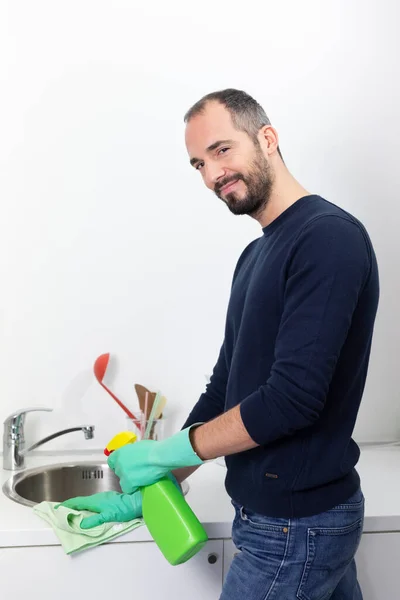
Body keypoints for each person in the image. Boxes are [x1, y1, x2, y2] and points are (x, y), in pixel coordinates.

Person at [61, 89, 379, 599]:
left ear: (267, 139)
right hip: (280, 520)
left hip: (294, 526)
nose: (211, 175)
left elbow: (291, 400)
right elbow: (223, 392)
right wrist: (162, 476)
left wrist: (167, 449)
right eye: (198, 164)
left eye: (222, 150)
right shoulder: (255, 256)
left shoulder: (327, 238)